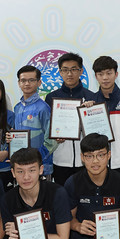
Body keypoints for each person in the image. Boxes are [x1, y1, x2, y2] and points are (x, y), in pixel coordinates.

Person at [44, 52, 99, 186]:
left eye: (74, 69)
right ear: (60, 72)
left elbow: (97, 130)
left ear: (81, 71)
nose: (70, 74)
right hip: (60, 159)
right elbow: (48, 129)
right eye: (65, 70)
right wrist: (54, 137)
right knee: (62, 199)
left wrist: (90, 112)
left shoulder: (91, 97)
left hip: (85, 160)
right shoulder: (51, 98)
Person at [13, 64, 55, 179]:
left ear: (39, 82)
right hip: (21, 164)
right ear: (19, 83)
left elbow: (51, 139)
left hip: (41, 166)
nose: (27, 84)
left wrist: (37, 157)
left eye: (31, 80)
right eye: (23, 80)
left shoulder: (43, 108)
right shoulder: (17, 108)